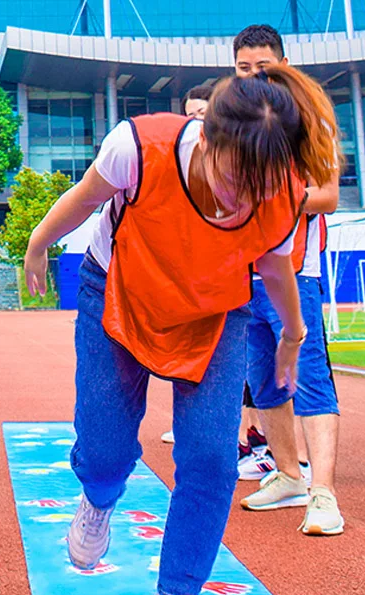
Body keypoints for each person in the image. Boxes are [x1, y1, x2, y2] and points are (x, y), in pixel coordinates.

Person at [24, 65, 338, 595]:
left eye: (259, 187)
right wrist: (38, 243)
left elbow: (275, 270)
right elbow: (83, 199)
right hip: (118, 292)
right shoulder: (139, 147)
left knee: (211, 459)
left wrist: (296, 334)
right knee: (107, 445)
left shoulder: (279, 191)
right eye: (232, 178)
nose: (241, 199)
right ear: (207, 136)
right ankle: (98, 497)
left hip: (213, 313)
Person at [233, 25, 343, 535]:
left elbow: (326, 196)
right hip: (243, 268)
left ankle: (323, 492)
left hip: (296, 269)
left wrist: (276, 201)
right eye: (243, 68)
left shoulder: (310, 115)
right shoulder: (233, 120)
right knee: (264, 377)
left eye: (263, 67)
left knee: (308, 374)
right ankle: (287, 474)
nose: (254, 77)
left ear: (283, 63)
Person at [160, 83, 215, 445]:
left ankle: (252, 438)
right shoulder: (179, 160)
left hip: (227, 281)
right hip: (189, 278)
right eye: (190, 115)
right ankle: (190, 427)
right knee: (185, 357)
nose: (195, 123)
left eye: (202, 115)